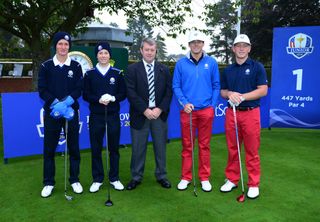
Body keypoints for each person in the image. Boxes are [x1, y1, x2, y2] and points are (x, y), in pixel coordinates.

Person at [219, 34, 268, 199]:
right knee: (233, 149)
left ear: (249, 48)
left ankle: (253, 184)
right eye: (238, 45)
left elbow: (263, 90)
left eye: (244, 46)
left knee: (252, 150)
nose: (241, 48)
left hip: (250, 113)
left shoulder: (257, 67)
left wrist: (242, 97)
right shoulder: (228, 70)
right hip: (232, 114)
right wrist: (231, 93)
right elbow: (223, 92)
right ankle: (232, 179)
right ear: (233, 49)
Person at [172, 30, 220, 192]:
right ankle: (186, 177)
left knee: (204, 145)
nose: (196, 44)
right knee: (187, 145)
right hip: (188, 111)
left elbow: (216, 85)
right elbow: (176, 86)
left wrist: (212, 106)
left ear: (203, 44)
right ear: (189, 45)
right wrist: (184, 103)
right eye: (193, 42)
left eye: (199, 42)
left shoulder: (211, 62)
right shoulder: (180, 63)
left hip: (206, 110)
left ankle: (204, 177)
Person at [38, 31, 83, 198]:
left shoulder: (76, 66)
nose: (63, 47)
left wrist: (67, 103)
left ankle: (74, 180)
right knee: (49, 149)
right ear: (55, 46)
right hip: (53, 112)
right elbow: (42, 90)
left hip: (71, 111)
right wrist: (57, 104)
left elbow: (79, 87)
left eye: (66, 44)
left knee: (74, 147)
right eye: (60, 44)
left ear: (69, 46)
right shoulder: (46, 66)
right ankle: (48, 182)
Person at [125, 38, 173, 190]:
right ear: (141, 50)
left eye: (152, 50)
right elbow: (131, 93)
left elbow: (168, 92)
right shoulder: (132, 69)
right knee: (138, 149)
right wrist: (145, 110)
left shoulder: (163, 69)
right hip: (140, 114)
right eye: (147, 49)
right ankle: (136, 177)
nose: (149, 52)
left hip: (159, 115)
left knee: (160, 148)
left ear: (156, 51)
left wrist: (159, 109)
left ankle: (161, 175)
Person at [83, 42, 126, 192]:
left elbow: (123, 93)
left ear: (109, 55)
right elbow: (86, 94)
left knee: (114, 148)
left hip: (113, 115)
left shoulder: (117, 73)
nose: (103, 56)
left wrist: (113, 98)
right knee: (96, 148)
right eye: (100, 53)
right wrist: (98, 99)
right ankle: (98, 179)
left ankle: (114, 178)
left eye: (106, 53)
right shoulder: (89, 74)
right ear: (97, 55)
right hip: (96, 115)